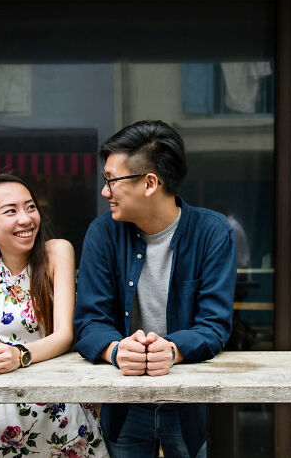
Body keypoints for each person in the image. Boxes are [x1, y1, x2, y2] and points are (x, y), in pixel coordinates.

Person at [74, 120, 237, 457]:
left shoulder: (212, 232)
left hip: (188, 396)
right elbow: (89, 323)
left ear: (150, 183)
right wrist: (117, 350)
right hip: (123, 397)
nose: (105, 191)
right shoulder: (102, 233)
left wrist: (172, 350)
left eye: (111, 180)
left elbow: (214, 325)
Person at [0, 173, 107, 458]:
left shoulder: (57, 253)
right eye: (11, 211)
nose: (26, 219)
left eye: (30, 207)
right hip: (4, 414)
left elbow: (65, 335)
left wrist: (18, 356)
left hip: (60, 410)